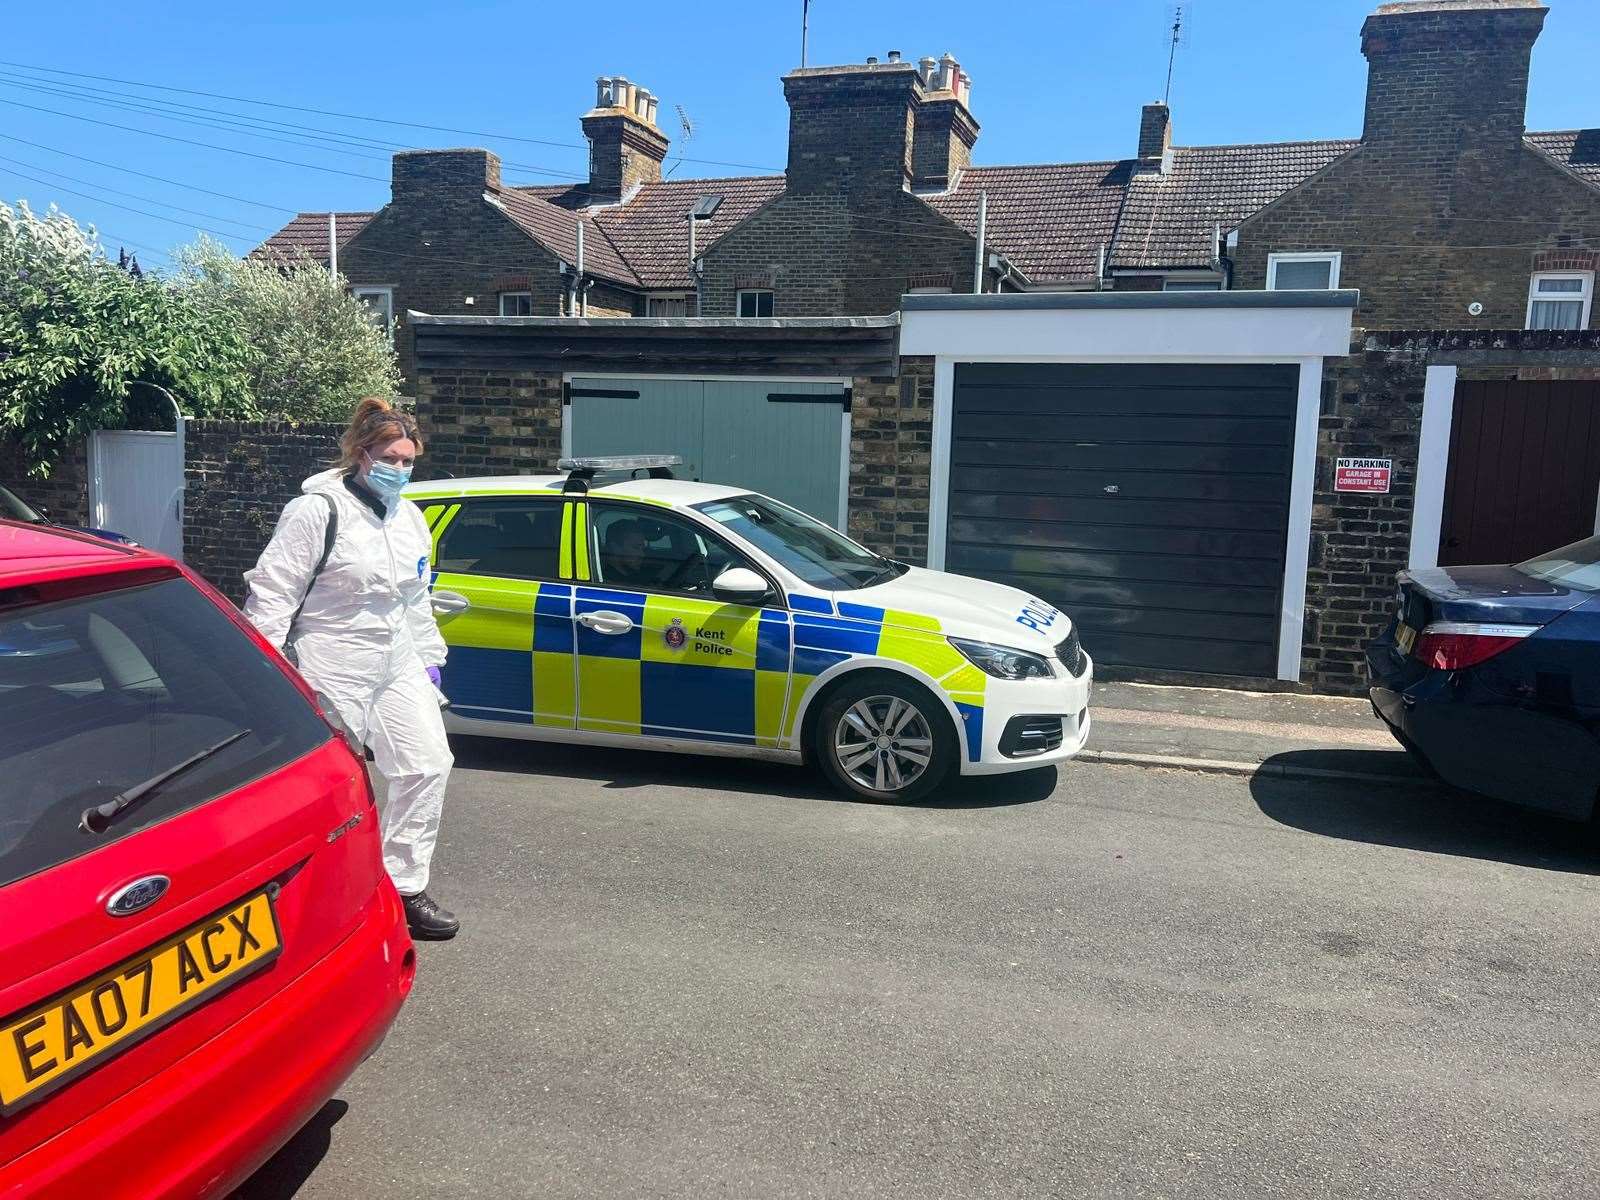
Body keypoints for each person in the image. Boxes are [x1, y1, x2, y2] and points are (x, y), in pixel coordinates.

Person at [242, 397, 459, 940]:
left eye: (410, 460)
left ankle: (403, 886)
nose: (402, 470)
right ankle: (317, 899)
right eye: (393, 457)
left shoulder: (409, 517)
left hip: (396, 658)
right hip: (333, 658)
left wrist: (431, 662)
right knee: (334, 787)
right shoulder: (318, 511)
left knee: (427, 764)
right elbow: (273, 594)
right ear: (362, 454)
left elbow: (415, 599)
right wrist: (264, 673)